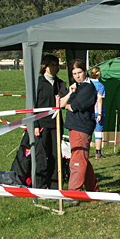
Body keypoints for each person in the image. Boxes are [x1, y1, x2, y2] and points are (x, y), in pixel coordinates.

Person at [60, 59, 99, 193]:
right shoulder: (76, 87)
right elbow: (60, 103)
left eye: (79, 72)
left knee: (77, 160)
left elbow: (74, 107)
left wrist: (68, 105)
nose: (77, 76)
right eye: (74, 73)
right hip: (74, 127)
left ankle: (74, 193)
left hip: (81, 127)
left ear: (85, 72)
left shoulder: (88, 88)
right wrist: (70, 94)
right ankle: (93, 190)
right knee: (82, 158)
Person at [34, 54, 67, 189]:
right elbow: (33, 104)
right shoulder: (38, 83)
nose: (55, 68)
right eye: (52, 65)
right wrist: (35, 125)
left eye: (57, 65)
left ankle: (54, 185)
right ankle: (40, 185)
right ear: (46, 66)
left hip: (56, 124)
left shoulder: (60, 83)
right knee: (41, 156)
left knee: (56, 154)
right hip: (41, 123)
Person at [89, 66, 106, 159]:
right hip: (97, 111)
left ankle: (86, 152)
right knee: (98, 132)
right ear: (99, 74)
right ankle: (98, 153)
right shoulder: (100, 86)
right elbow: (99, 100)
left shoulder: (87, 84)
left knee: (88, 132)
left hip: (88, 111)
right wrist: (99, 113)